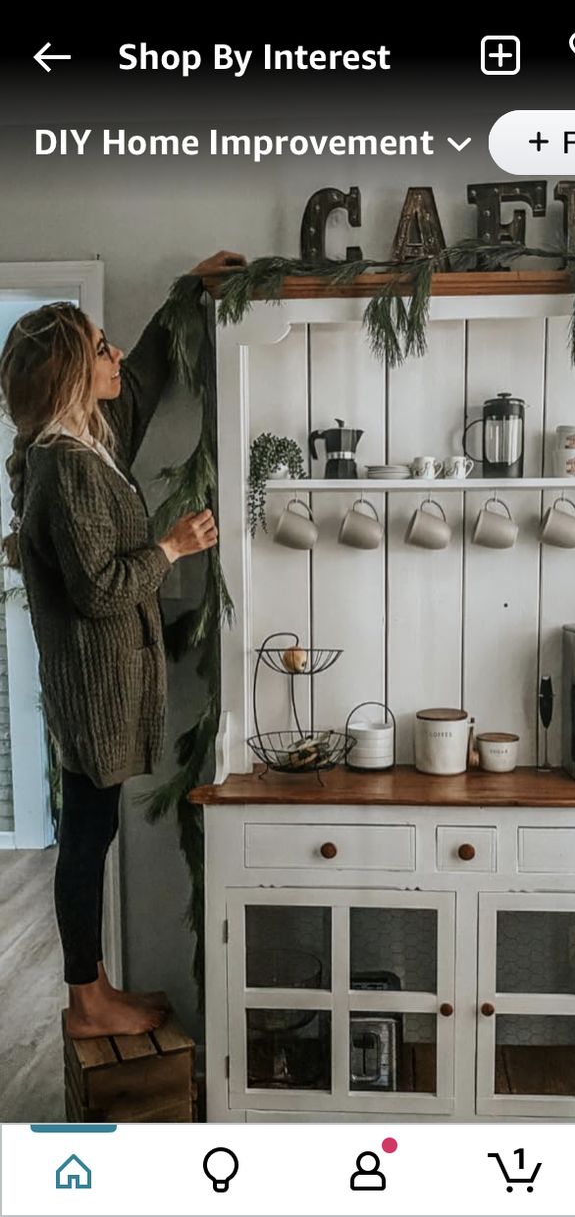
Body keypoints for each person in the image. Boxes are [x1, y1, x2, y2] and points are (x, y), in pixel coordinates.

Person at [0, 250, 245, 1037]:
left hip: (93, 684)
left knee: (90, 829)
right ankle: (85, 1000)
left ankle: (93, 987)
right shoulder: (64, 466)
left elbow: (140, 378)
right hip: (94, 686)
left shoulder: (87, 440)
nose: (113, 358)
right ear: (72, 375)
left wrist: (185, 290)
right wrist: (171, 548)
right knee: (85, 835)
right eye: (99, 350)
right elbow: (102, 588)